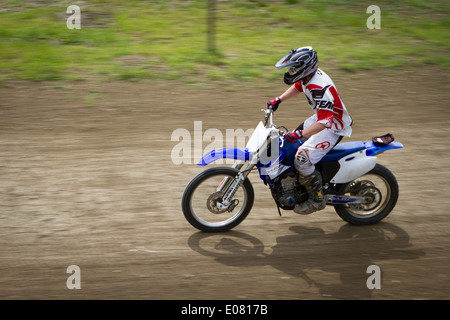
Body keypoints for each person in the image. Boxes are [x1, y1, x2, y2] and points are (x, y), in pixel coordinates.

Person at [267, 46, 352, 215]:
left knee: (302, 158)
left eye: (294, 68)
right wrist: (279, 99)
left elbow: (326, 121)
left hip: (333, 126)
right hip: (320, 118)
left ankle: (317, 198)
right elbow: (299, 86)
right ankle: (300, 182)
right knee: (288, 144)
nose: (291, 72)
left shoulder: (318, 88)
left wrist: (300, 134)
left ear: (305, 68)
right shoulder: (308, 77)